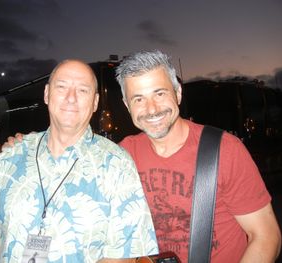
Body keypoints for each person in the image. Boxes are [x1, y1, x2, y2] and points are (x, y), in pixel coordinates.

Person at [0, 59, 159, 263]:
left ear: (95, 103)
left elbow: (122, 255)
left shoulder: (117, 165)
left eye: (82, 90)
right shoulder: (10, 157)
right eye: (61, 87)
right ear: (46, 94)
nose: (71, 98)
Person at [115, 50, 281, 262]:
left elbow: (266, 236)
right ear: (127, 105)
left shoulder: (224, 150)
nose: (152, 109)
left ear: (178, 93)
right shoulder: (122, 156)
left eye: (160, 93)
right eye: (139, 99)